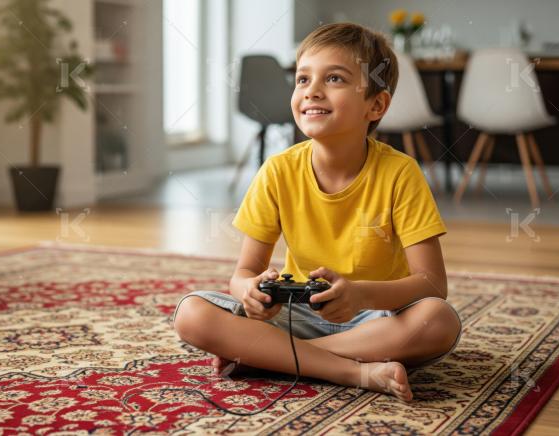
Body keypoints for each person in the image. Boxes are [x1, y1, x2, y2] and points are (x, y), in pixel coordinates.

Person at [171, 22, 462, 402]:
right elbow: (243, 273)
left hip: (375, 319)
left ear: (376, 105)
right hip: (297, 317)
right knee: (191, 313)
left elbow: (431, 284)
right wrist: (251, 292)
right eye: (302, 79)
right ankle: (353, 371)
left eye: (335, 78)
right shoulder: (278, 171)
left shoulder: (400, 173)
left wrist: (359, 296)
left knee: (438, 321)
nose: (312, 91)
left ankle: (274, 357)